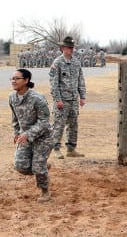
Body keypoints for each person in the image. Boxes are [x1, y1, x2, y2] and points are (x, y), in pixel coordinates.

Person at [9, 69, 53, 202]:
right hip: (25, 137)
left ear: (26, 80)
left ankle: (45, 191)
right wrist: (17, 133)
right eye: (12, 78)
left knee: (37, 167)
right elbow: (15, 118)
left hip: (43, 137)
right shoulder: (12, 97)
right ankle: (43, 167)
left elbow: (44, 122)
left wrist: (28, 134)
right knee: (20, 166)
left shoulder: (37, 98)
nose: (13, 81)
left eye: (17, 78)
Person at [49, 36, 86, 159]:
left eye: (72, 47)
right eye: (69, 47)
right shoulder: (57, 63)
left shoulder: (76, 62)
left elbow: (80, 80)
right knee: (58, 125)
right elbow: (54, 83)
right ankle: (55, 149)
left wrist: (82, 96)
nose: (71, 49)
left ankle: (71, 149)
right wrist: (58, 99)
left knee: (73, 124)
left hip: (73, 100)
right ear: (63, 48)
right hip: (62, 100)